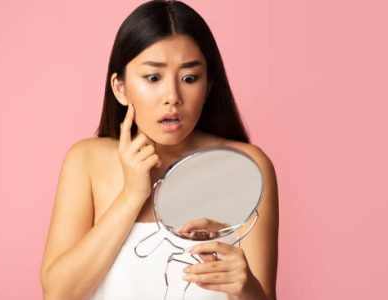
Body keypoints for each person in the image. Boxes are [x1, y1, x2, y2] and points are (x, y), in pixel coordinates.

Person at [40, 1, 279, 299]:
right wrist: (132, 195)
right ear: (120, 88)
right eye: (153, 78)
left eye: (189, 78)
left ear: (208, 86)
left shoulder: (246, 166)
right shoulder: (86, 160)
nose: (173, 97)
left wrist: (248, 288)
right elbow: (58, 293)